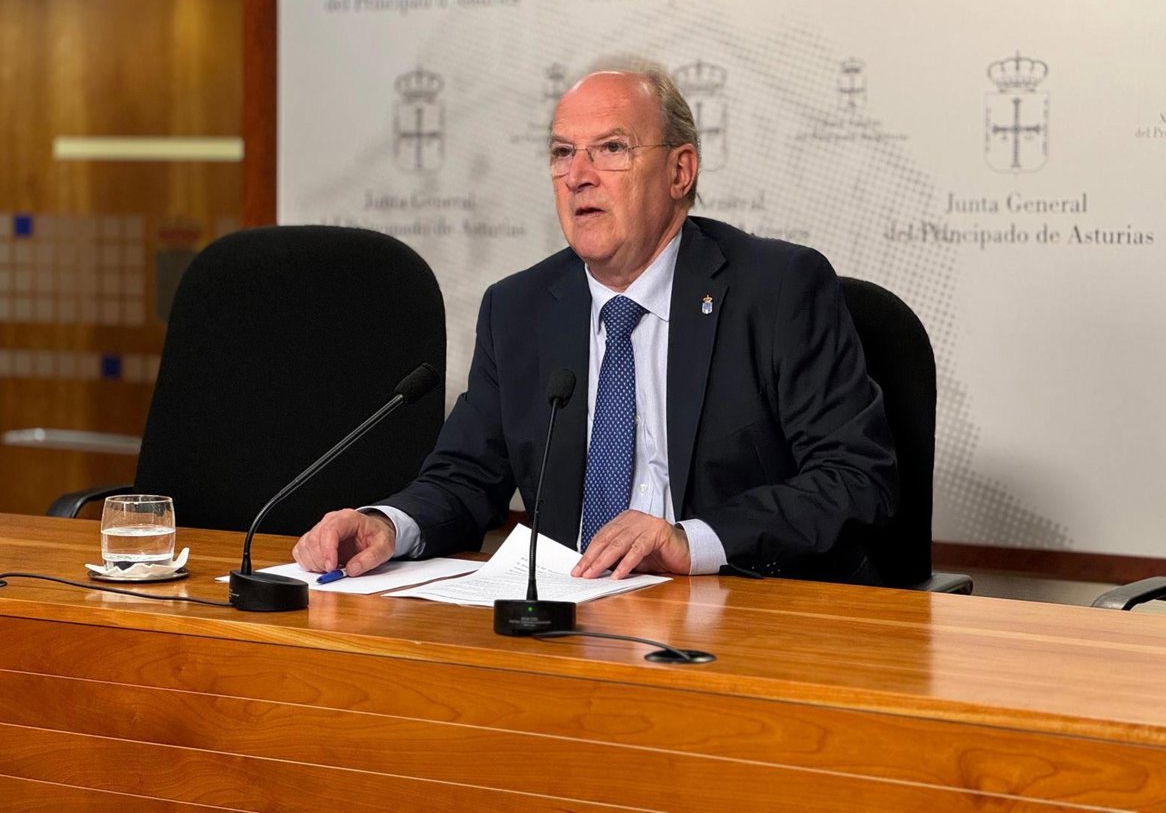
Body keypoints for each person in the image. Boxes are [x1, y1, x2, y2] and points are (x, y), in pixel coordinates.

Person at [292, 61, 897, 583]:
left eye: (611, 149)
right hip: (568, 613)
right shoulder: (518, 308)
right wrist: (386, 524)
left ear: (680, 171)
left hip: (743, 611)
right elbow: (465, 477)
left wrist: (690, 542)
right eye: (562, 153)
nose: (578, 175)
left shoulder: (777, 289)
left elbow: (855, 478)